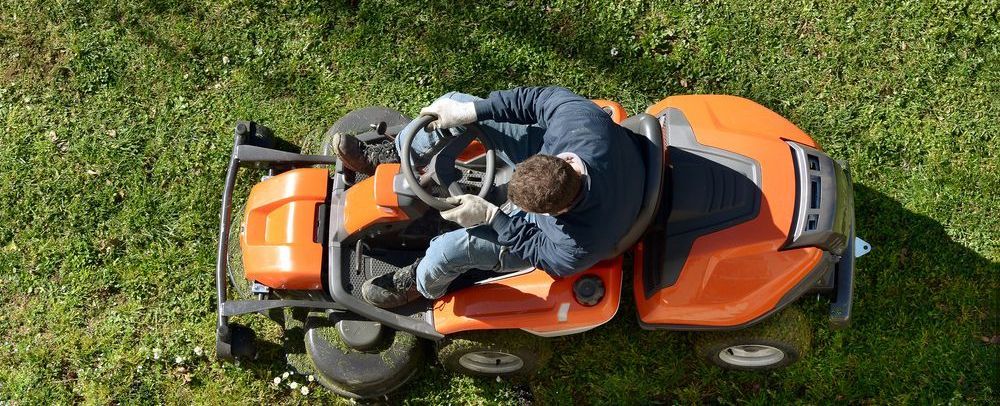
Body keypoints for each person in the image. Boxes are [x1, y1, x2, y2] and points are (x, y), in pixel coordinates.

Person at [333, 87, 645, 308]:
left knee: (449, 250)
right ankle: (397, 156)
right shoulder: (578, 122)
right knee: (454, 104)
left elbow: (533, 246)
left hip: (607, 210)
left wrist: (492, 218)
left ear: (557, 212)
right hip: (607, 168)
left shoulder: (575, 245)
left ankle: (419, 283)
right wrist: (469, 112)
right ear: (560, 157)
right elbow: (533, 100)